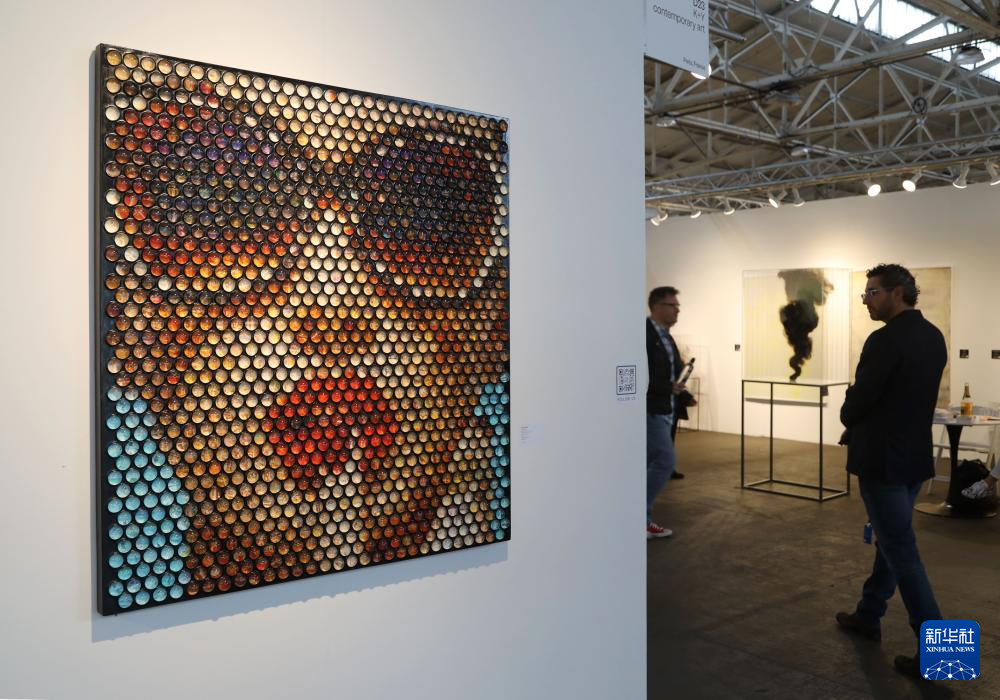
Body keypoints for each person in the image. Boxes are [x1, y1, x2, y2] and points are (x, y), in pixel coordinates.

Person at [835, 264, 947, 680]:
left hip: (883, 461)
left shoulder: (883, 341)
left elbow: (861, 400)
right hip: (914, 457)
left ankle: (944, 656)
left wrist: (849, 414)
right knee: (893, 539)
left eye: (872, 292)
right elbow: (901, 398)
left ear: (897, 293)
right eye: (865, 293)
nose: (866, 300)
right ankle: (869, 613)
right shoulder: (933, 336)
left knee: (903, 551)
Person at [645, 286, 695, 538]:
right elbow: (638, 372)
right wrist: (667, 387)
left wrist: (684, 394)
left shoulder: (666, 336)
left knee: (646, 463)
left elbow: (673, 370)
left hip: (666, 409)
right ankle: (640, 517)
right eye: (672, 305)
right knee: (665, 462)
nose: (677, 310)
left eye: (677, 306)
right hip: (650, 410)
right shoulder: (644, 334)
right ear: (656, 307)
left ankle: (635, 517)